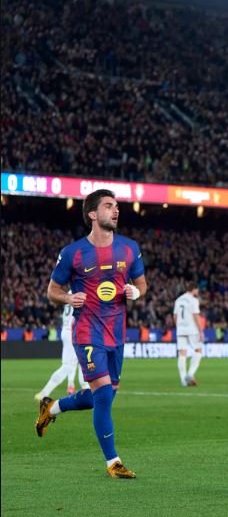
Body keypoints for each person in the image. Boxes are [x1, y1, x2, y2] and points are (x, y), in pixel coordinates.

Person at [35, 189, 147, 479]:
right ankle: (113, 462)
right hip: (87, 331)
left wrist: (136, 292)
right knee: (104, 395)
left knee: (103, 397)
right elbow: (52, 291)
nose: (116, 210)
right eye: (109, 206)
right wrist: (68, 298)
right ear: (93, 214)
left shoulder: (129, 248)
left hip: (117, 334)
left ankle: (52, 408)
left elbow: (142, 284)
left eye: (117, 206)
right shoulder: (73, 252)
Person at [35, 298, 88, 400]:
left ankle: (78, 387)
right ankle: (44, 393)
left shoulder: (71, 292)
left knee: (80, 361)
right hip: (73, 331)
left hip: (67, 330)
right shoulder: (80, 291)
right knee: (70, 365)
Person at [173, 282, 204, 387]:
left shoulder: (178, 300)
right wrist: (200, 331)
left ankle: (183, 380)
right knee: (198, 350)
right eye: (197, 289)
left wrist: (179, 327)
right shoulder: (193, 300)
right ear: (194, 289)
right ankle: (190, 374)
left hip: (180, 329)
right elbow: (196, 316)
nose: (198, 291)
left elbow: (175, 316)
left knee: (182, 353)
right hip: (192, 329)